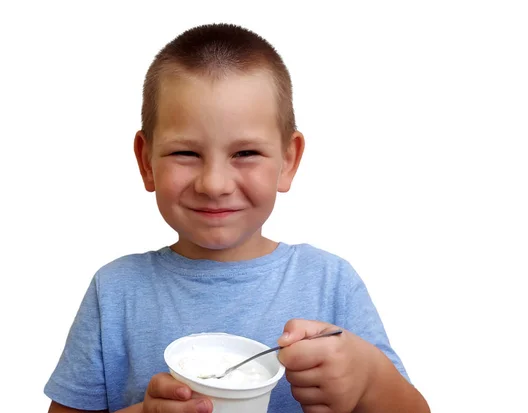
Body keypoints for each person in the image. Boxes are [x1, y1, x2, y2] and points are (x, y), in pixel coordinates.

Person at [44, 23, 430, 413]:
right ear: (146, 161)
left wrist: (369, 379)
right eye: (186, 154)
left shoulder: (330, 284)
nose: (214, 184)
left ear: (288, 161)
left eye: (245, 153)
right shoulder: (115, 292)